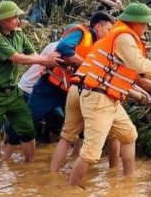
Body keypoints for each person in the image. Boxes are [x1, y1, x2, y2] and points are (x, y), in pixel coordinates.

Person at [68, 3, 151, 187]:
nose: (146, 27)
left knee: (129, 135)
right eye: (144, 23)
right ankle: (69, 192)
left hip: (109, 98)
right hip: (98, 99)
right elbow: (140, 65)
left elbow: (141, 74)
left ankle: (129, 181)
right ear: (135, 22)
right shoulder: (123, 38)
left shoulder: (124, 36)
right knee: (91, 154)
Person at [0, 0, 58, 169]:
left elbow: (33, 55)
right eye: (13, 17)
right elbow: (17, 58)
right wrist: (46, 60)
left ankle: (29, 167)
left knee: (28, 129)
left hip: (13, 93)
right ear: (2, 20)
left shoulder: (19, 34)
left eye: (17, 17)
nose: (18, 20)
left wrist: (45, 64)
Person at [46, 12, 116, 172]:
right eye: (108, 29)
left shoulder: (98, 44)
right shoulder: (83, 35)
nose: (110, 33)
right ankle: (112, 177)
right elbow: (64, 49)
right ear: (98, 27)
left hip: (74, 89)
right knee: (110, 136)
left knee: (69, 135)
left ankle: (54, 174)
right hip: (85, 92)